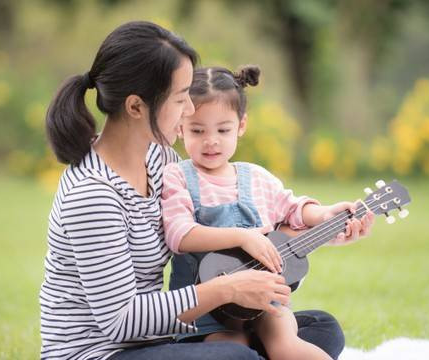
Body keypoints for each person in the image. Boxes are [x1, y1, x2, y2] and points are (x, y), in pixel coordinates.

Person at [40, 20, 366, 360]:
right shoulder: (91, 195)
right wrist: (224, 289)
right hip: (102, 353)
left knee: (320, 328)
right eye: (181, 99)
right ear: (136, 107)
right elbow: (121, 321)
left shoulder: (159, 158)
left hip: (160, 339)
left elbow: (238, 225)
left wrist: (324, 225)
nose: (191, 110)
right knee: (235, 357)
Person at [161, 65, 374, 360]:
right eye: (198, 130)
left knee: (289, 341)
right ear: (181, 127)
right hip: (208, 312)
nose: (211, 140)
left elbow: (294, 209)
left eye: (223, 130)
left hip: (265, 299)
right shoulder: (178, 176)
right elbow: (178, 234)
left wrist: (325, 214)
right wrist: (242, 236)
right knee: (233, 352)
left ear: (242, 126)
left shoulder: (256, 178)